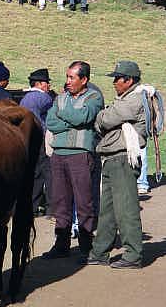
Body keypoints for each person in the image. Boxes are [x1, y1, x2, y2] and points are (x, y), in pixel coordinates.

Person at [42, 62, 104, 260]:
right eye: (67, 77)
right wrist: (72, 120)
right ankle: (61, 244)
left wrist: (63, 114)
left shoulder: (94, 97)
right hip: (59, 155)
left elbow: (83, 117)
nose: (67, 81)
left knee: (84, 201)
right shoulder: (60, 98)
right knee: (60, 202)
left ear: (84, 79)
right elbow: (50, 122)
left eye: (72, 78)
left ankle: (86, 246)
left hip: (80, 154)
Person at [88, 61, 147, 269]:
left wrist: (103, 116)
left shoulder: (135, 99)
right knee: (108, 210)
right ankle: (99, 252)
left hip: (123, 158)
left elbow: (105, 120)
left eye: (117, 78)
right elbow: (105, 120)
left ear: (129, 80)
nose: (114, 82)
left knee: (126, 209)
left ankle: (133, 255)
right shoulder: (126, 99)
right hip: (113, 157)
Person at [20, 69, 54, 216]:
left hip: (27, 138)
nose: (48, 85)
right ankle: (52, 206)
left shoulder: (25, 98)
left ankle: (32, 205)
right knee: (47, 172)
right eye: (46, 82)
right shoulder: (44, 98)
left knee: (34, 173)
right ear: (40, 84)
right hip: (41, 137)